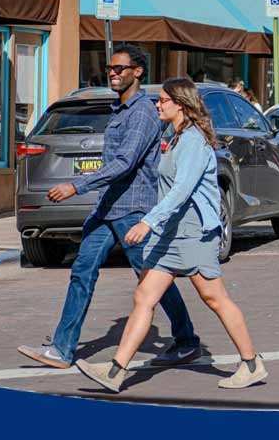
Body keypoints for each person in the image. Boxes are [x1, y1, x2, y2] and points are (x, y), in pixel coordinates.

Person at [75, 78, 266, 393]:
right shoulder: (175, 136)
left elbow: (181, 191)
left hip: (193, 231)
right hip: (171, 231)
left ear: (181, 104)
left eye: (163, 100)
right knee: (144, 297)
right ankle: (115, 371)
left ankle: (251, 363)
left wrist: (148, 223)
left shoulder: (193, 141)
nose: (157, 104)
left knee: (214, 297)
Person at [17, 45, 200, 370]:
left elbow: (125, 162)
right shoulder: (118, 110)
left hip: (132, 210)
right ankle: (62, 348)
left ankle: (186, 340)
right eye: (110, 68)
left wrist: (77, 185)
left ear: (137, 72)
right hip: (106, 210)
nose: (113, 73)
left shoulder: (143, 112)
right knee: (81, 272)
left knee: (152, 277)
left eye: (120, 68)